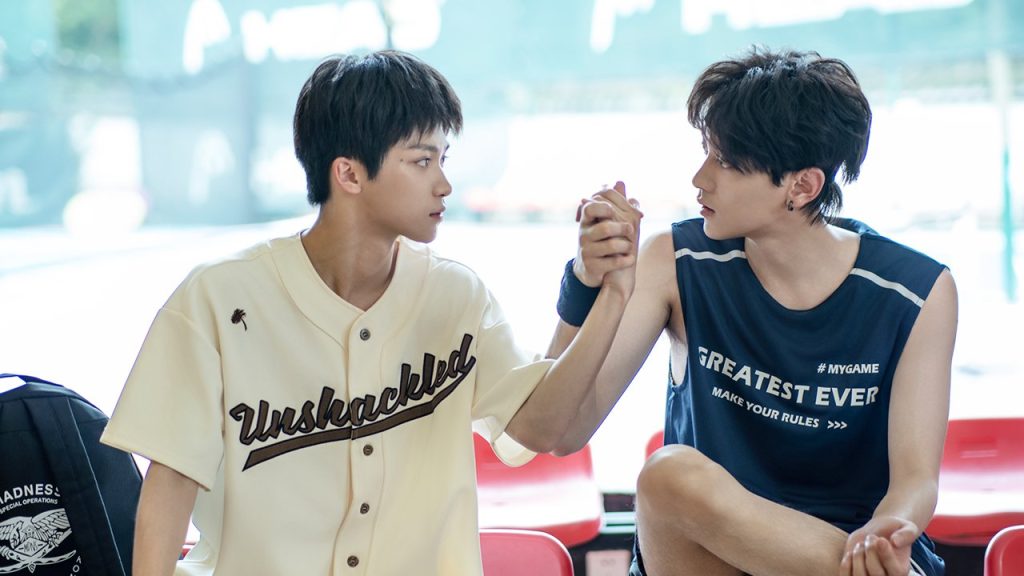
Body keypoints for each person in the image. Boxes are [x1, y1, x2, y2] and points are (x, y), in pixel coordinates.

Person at [100, 50, 642, 576]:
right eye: (421, 161)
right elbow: (169, 484)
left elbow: (543, 427)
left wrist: (612, 295)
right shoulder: (218, 298)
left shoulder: (456, 295)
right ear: (350, 175)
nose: (444, 183)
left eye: (442, 160)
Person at [549, 47, 957, 576]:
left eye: (724, 161)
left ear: (802, 186)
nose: (700, 178)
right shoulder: (675, 261)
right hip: (706, 553)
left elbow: (914, 481)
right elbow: (562, 430)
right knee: (669, 477)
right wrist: (587, 282)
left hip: (848, 548)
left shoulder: (915, 291)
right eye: (705, 153)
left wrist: (890, 527)